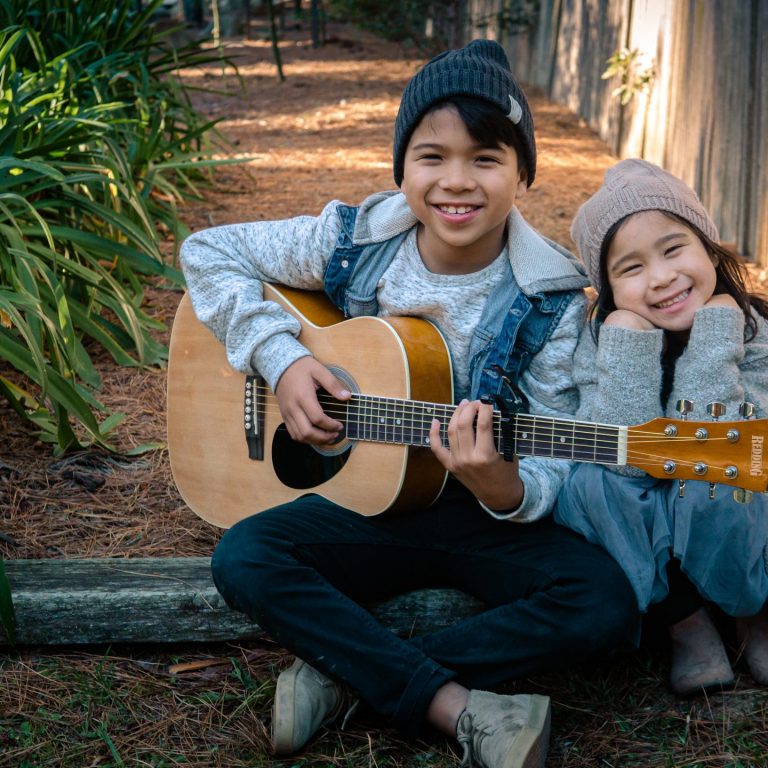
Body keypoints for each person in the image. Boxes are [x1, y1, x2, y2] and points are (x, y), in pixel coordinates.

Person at [179, 40, 638, 768]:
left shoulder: (553, 302)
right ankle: (454, 707)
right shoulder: (353, 241)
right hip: (361, 506)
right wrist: (284, 358)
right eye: (432, 156)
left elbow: (557, 444)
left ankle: (345, 677)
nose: (457, 182)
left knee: (605, 603)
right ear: (402, 167)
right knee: (245, 557)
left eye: (486, 158)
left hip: (470, 513)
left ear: (522, 172)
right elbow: (207, 251)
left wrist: (506, 487)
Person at [555, 158, 768, 697]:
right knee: (587, 483)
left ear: (709, 248)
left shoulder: (755, 330)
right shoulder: (602, 344)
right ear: (606, 289)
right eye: (630, 268)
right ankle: (685, 622)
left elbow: (726, 448)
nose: (661, 277)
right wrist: (627, 342)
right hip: (655, 530)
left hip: (741, 523)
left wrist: (716, 334)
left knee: (719, 471)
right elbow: (621, 458)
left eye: (674, 249)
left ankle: (751, 612)